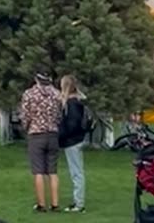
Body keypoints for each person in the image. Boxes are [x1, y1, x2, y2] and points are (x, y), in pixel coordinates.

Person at [21, 72, 63, 212]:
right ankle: (55, 204)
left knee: (38, 170)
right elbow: (59, 115)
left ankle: (41, 204)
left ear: (36, 79)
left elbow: (25, 115)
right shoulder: (57, 94)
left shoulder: (29, 94)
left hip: (36, 134)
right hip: (52, 134)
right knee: (52, 171)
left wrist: (27, 128)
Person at [58, 75, 91, 213]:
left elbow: (72, 125)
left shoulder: (71, 104)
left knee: (76, 172)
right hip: (77, 139)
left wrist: (60, 136)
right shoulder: (78, 101)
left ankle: (79, 204)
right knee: (76, 171)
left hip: (73, 140)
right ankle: (77, 201)